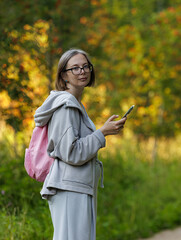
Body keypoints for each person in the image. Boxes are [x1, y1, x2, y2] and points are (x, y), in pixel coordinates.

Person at [34, 48, 127, 240]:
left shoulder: (74, 104)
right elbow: (71, 153)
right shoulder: (66, 106)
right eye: (75, 68)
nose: (82, 71)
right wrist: (102, 133)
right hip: (69, 188)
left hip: (78, 186)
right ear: (64, 75)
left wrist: (103, 132)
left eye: (85, 66)